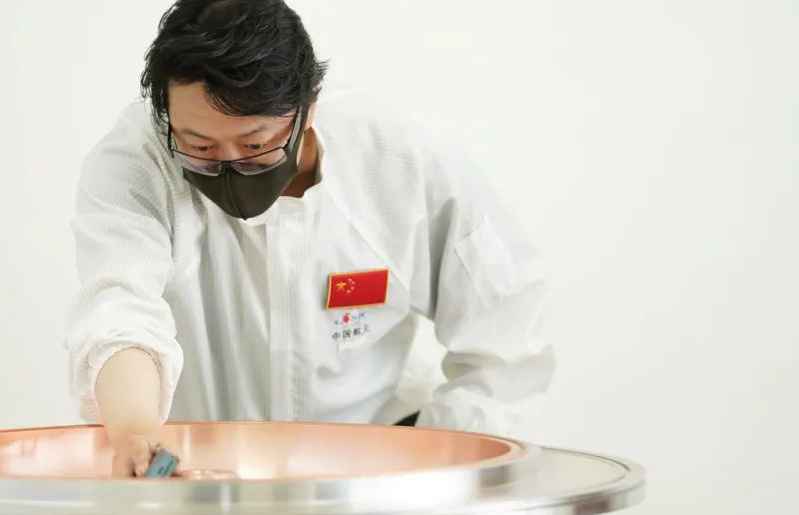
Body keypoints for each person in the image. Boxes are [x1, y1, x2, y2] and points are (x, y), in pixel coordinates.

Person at [66, 0, 554, 476]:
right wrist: (135, 432)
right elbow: (120, 310)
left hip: (373, 474)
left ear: (308, 109)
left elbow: (508, 341)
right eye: (200, 147)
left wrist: (424, 467)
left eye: (256, 144)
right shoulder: (136, 162)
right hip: (196, 479)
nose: (229, 166)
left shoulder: (402, 164)